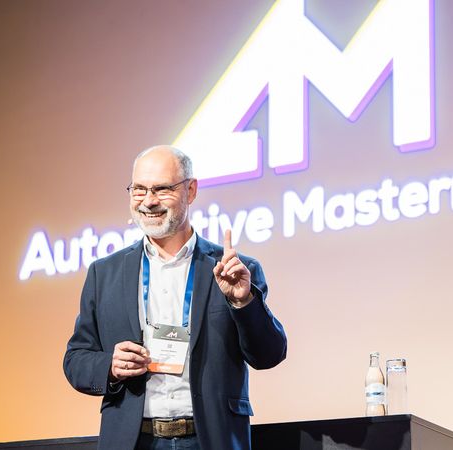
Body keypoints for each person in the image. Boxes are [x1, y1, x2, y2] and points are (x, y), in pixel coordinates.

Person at [63, 145, 287, 450]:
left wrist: (242, 302)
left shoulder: (235, 269)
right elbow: (76, 359)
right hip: (134, 440)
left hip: (210, 439)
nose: (149, 201)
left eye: (162, 189)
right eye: (139, 190)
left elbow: (269, 355)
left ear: (191, 190)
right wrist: (110, 366)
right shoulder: (105, 273)